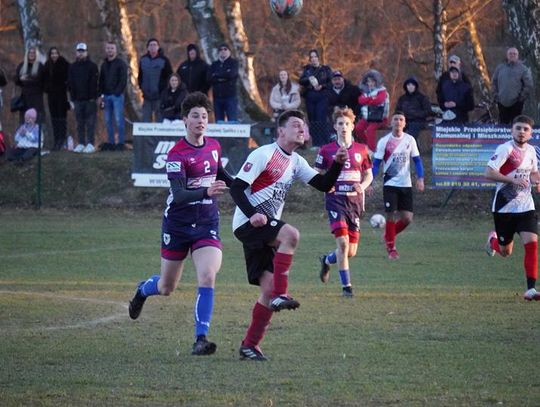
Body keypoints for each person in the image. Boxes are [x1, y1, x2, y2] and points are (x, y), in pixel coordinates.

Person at [229, 109, 348, 361]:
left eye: (303, 125)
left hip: (263, 228)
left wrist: (337, 163)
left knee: (267, 289)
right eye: (295, 125)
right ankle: (281, 295)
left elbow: (324, 185)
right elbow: (237, 188)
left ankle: (250, 345)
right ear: (280, 131)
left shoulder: (296, 161)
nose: (301, 129)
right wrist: (252, 214)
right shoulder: (263, 154)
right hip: (248, 224)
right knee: (291, 235)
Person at [128, 92, 233, 355]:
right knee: (166, 287)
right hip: (177, 225)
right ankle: (143, 290)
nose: (201, 120)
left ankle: (201, 339)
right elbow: (179, 195)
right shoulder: (176, 154)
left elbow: (221, 174)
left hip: (206, 223)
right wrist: (206, 191)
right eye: (195, 116)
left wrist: (246, 186)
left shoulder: (214, 146)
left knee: (207, 275)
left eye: (204, 116)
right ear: (185, 120)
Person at [316, 107, 373, 297]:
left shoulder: (362, 149)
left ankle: (326, 260)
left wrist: (362, 186)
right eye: (340, 123)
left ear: (352, 126)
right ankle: (347, 288)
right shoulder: (326, 150)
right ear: (335, 127)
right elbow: (316, 173)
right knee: (342, 243)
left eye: (347, 123)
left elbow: (369, 175)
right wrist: (325, 184)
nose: (343, 127)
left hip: (354, 203)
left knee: (351, 251)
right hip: (335, 201)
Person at [484, 115, 540, 301]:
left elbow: (533, 173)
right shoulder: (505, 149)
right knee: (505, 251)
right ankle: (493, 241)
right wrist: (511, 180)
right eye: (518, 128)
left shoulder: (531, 151)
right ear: (512, 130)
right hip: (504, 208)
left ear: (531, 134)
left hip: (526, 207)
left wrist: (537, 181)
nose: (521, 132)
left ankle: (531, 289)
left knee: (532, 245)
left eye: (525, 129)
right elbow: (489, 172)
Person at [371, 111, 424, 260]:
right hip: (390, 183)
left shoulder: (410, 140)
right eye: (395, 119)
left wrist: (420, 178)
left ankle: (388, 235)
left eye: (401, 119)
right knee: (391, 215)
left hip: (406, 184)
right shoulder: (384, 141)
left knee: (407, 218)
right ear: (391, 122)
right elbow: (376, 164)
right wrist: (369, 182)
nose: (398, 122)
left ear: (404, 123)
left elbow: (417, 161)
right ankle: (391, 249)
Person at [67, 42, 99, 154]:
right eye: (79, 51)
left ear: (86, 52)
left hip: (90, 100)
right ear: (76, 53)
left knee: (90, 123)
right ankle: (81, 143)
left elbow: (94, 83)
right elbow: (70, 83)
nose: (80, 53)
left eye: (83, 51)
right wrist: (72, 98)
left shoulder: (92, 66)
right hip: (77, 100)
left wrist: (93, 97)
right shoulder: (72, 67)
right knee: (79, 123)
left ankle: (90, 143)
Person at [299, 49, 332, 146]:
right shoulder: (307, 70)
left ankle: (324, 142)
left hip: (322, 96)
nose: (313, 59)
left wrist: (322, 86)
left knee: (321, 118)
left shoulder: (325, 69)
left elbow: (330, 82)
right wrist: (308, 79)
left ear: (318, 57)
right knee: (312, 119)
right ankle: (315, 142)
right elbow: (301, 81)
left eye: (315, 57)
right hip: (310, 97)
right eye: (311, 57)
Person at [491, 47, 533, 125]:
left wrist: (521, 98)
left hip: (516, 103)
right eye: (510, 54)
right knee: (503, 126)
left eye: (514, 54)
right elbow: (494, 82)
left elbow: (528, 85)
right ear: (507, 55)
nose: (512, 55)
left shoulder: (523, 69)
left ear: (517, 56)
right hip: (502, 102)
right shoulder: (500, 68)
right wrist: (496, 96)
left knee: (516, 125)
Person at [98, 41, 128, 151]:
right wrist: (101, 95)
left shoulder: (121, 63)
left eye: (112, 48)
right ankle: (111, 142)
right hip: (106, 96)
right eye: (108, 48)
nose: (110, 50)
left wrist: (117, 92)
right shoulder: (104, 64)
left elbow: (123, 80)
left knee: (119, 120)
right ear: (106, 50)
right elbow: (101, 80)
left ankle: (120, 143)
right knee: (108, 121)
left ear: (115, 50)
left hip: (117, 96)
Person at [138, 38, 173, 122]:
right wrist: (142, 87)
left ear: (158, 47)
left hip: (159, 96)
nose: (153, 47)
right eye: (151, 45)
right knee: (145, 120)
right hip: (146, 96)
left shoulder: (164, 60)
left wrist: (164, 90)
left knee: (160, 120)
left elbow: (170, 77)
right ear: (147, 48)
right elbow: (140, 76)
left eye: (155, 45)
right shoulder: (143, 60)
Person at [354, 69, 390, 152]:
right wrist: (371, 99)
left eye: (372, 81)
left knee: (370, 130)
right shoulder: (366, 91)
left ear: (377, 82)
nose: (370, 84)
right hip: (368, 117)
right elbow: (360, 100)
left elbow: (378, 101)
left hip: (380, 118)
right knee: (358, 128)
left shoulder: (382, 91)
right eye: (368, 81)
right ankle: (366, 145)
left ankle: (372, 151)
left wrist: (367, 100)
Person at [43, 47, 70, 151]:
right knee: (54, 118)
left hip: (62, 95)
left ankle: (62, 140)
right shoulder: (47, 65)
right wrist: (47, 88)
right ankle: (56, 140)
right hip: (51, 95)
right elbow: (44, 80)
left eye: (56, 53)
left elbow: (69, 78)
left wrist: (66, 86)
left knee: (62, 118)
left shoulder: (64, 64)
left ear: (59, 54)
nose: (54, 55)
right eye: (52, 53)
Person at [208, 43, 239, 123]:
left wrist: (217, 75)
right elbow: (210, 78)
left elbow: (231, 74)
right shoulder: (214, 65)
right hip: (217, 97)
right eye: (221, 49)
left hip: (230, 97)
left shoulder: (233, 63)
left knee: (232, 121)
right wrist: (224, 77)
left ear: (229, 51)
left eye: (225, 49)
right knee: (219, 122)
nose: (223, 51)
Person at [395, 77, 432, 142]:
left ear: (415, 86)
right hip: (404, 120)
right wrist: (401, 116)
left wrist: (416, 114)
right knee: (397, 132)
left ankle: (411, 146)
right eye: (408, 85)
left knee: (411, 135)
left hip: (418, 121)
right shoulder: (402, 98)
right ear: (406, 86)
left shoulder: (422, 98)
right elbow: (397, 111)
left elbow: (428, 111)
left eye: (412, 85)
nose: (410, 87)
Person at [14, 47, 45, 124]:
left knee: (36, 118)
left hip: (37, 97)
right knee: (24, 118)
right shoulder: (22, 65)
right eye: (30, 52)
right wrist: (20, 79)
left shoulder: (40, 66)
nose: (31, 54)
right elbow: (16, 80)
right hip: (25, 97)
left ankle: (37, 131)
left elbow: (43, 80)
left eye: (33, 53)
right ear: (27, 54)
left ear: (36, 55)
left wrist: (29, 79)